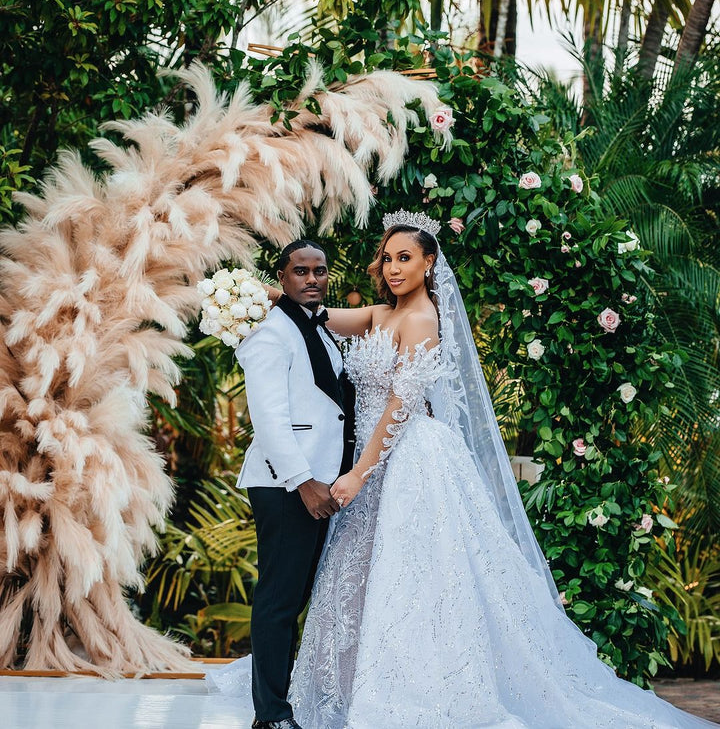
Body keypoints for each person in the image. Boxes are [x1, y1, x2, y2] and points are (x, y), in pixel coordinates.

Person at [211, 213, 713, 728]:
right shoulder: (379, 315)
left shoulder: (422, 319)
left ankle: (418, 687)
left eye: (405, 258)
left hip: (404, 459)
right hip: (366, 466)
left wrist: (360, 471)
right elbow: (318, 315)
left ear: (430, 264)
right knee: (365, 579)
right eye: (387, 258)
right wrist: (249, 296)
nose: (393, 268)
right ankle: (350, 683)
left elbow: (401, 405)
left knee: (417, 575)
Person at [206, 240, 355, 729]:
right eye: (301, 271)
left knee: (296, 596)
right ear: (283, 276)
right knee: (278, 601)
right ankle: (270, 716)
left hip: (321, 480)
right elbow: (269, 420)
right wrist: (303, 482)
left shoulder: (317, 328)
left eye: (320, 271)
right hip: (287, 484)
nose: (312, 279)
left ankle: (283, 703)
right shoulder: (271, 334)